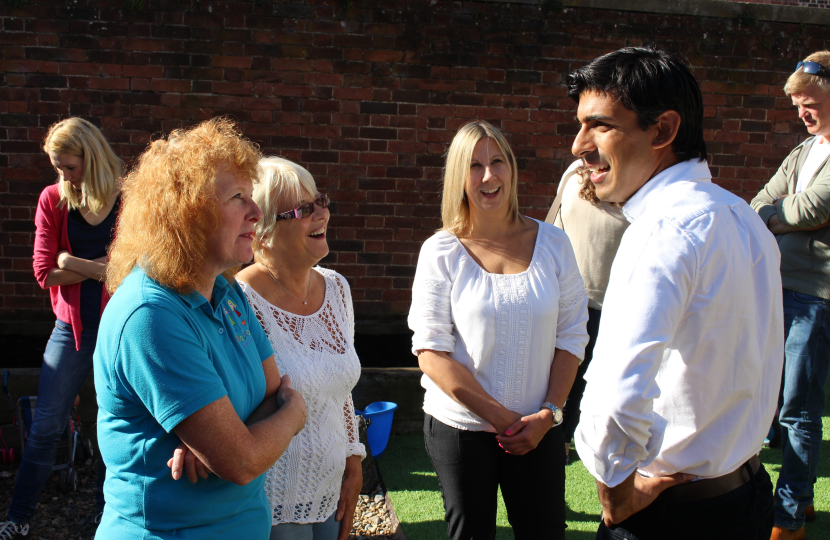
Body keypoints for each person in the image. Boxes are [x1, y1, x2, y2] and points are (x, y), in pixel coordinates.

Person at [570, 47, 783, 540]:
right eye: (580, 124)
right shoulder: (744, 218)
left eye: (599, 124)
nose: (579, 143)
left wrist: (617, 493)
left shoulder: (664, 230)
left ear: (663, 130)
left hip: (674, 515)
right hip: (745, 495)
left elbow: (617, 388)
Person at [91, 118, 307, 540]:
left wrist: (224, 436)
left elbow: (268, 393)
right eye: (238, 197)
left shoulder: (226, 291)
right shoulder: (150, 315)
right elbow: (244, 461)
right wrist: (295, 414)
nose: (257, 212)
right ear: (187, 214)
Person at [408, 120, 589, 540]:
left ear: (512, 167)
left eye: (497, 162)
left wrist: (548, 414)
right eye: (474, 165)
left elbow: (572, 336)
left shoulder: (555, 245)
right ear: (458, 177)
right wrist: (502, 419)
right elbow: (431, 352)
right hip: (460, 430)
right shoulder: (441, 251)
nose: (489, 176)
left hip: (540, 426)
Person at [1, 118, 122, 539]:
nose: (64, 176)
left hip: (122, 329)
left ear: (91, 156)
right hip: (70, 329)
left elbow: (134, 270)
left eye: (69, 166)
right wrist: (96, 269)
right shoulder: (53, 199)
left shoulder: (130, 198)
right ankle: (18, 517)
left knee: (117, 420)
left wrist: (71, 262)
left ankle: (108, 516)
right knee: (47, 425)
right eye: (58, 168)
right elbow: (43, 273)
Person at [234, 157, 365, 540]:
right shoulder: (239, 301)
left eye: (321, 201)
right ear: (263, 232)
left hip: (329, 490)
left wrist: (353, 458)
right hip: (269, 498)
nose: (321, 214)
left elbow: (339, 388)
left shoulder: (337, 288)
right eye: (304, 209)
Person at [750, 51, 830, 540]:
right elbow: (763, 200)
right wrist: (783, 213)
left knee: (799, 408)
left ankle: (788, 518)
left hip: (817, 296)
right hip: (779, 286)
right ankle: (801, 498)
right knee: (773, 400)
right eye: (798, 104)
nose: (802, 112)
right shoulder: (804, 151)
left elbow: (817, 205)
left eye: (811, 102)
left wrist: (782, 214)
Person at [546, 159, 629, 464]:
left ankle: (560, 442)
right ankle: (557, 441)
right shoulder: (574, 173)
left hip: (594, 302)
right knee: (565, 377)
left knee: (572, 378)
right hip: (571, 299)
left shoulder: (631, 183)